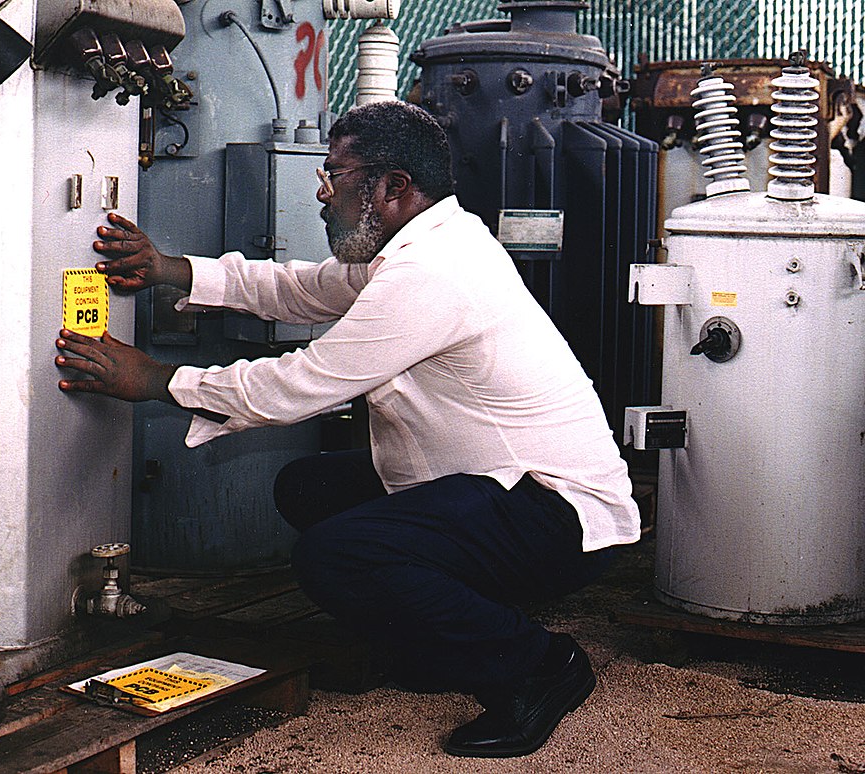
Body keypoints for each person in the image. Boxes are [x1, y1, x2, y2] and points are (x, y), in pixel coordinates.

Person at [55, 100, 641, 758]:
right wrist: (171, 269)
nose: (321, 190)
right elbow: (302, 289)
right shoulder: (420, 246)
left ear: (392, 187)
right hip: (498, 487)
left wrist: (161, 381)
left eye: (335, 175)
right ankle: (437, 638)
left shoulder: (432, 272)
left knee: (335, 555)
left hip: (554, 513)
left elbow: (307, 380)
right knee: (308, 489)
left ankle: (539, 666)